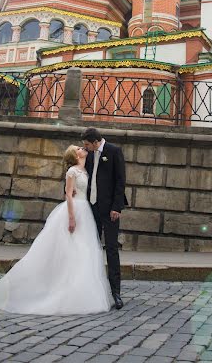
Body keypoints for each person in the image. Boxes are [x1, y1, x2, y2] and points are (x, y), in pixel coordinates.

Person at [0, 145, 113, 315]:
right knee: (71, 248)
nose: (83, 148)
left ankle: (80, 291)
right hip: (74, 210)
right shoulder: (72, 171)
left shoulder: (86, 169)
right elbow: (68, 194)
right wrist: (72, 217)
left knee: (83, 250)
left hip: (86, 212)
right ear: (75, 155)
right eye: (79, 148)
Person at [81, 128, 127, 310]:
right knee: (91, 247)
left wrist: (117, 207)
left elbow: (120, 180)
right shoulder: (89, 155)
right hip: (91, 208)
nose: (85, 148)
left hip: (110, 210)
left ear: (95, 141)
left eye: (87, 144)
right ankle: (91, 290)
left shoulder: (114, 151)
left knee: (111, 249)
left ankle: (116, 292)